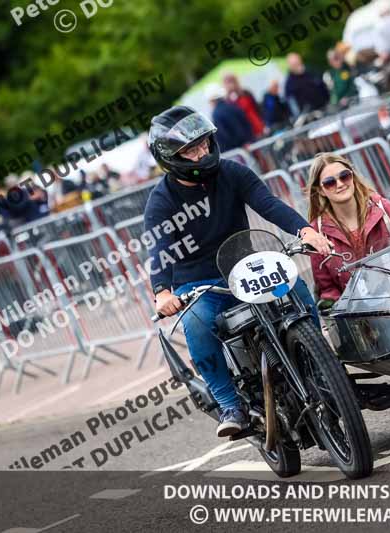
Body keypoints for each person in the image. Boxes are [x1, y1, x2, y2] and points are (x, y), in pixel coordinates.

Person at [145, 106, 332, 437]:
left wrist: (305, 231)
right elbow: (159, 252)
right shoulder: (162, 201)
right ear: (171, 157)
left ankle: (322, 361)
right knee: (197, 326)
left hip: (245, 266)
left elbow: (269, 204)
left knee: (297, 288)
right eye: (191, 149)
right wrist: (162, 292)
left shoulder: (232, 172)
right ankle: (231, 405)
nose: (202, 151)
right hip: (199, 284)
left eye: (203, 143)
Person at [306, 153, 390, 307]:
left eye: (345, 176)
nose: (340, 184)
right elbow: (327, 288)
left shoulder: (383, 208)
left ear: (352, 177)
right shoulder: (318, 230)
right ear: (321, 190)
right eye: (329, 182)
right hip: (357, 314)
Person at [205, 84, 254, 152]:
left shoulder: (216, 114)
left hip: (235, 150)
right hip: (248, 144)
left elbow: (224, 135)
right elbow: (245, 122)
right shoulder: (232, 105)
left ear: (212, 100)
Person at [223, 73, 266, 138]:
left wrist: (264, 123)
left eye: (231, 81)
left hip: (258, 126)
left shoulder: (246, 93)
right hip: (246, 134)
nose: (230, 84)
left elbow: (258, 109)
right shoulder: (227, 102)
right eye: (227, 82)